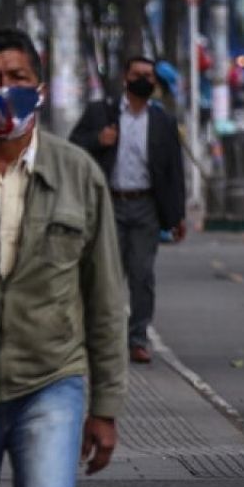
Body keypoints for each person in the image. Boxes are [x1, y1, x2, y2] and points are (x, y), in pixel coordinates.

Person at [0, 28, 126, 487]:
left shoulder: (77, 173)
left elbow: (106, 298)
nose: (4, 90)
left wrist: (106, 405)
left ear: (39, 88)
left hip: (50, 380)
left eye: (17, 78)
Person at [71, 56, 186, 365]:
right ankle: (99, 339)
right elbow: (73, 148)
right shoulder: (102, 113)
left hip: (145, 206)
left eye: (149, 76)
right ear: (125, 78)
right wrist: (99, 140)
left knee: (143, 275)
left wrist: (176, 216)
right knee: (105, 276)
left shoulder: (162, 121)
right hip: (108, 204)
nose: (144, 80)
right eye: (138, 75)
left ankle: (138, 338)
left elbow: (174, 170)